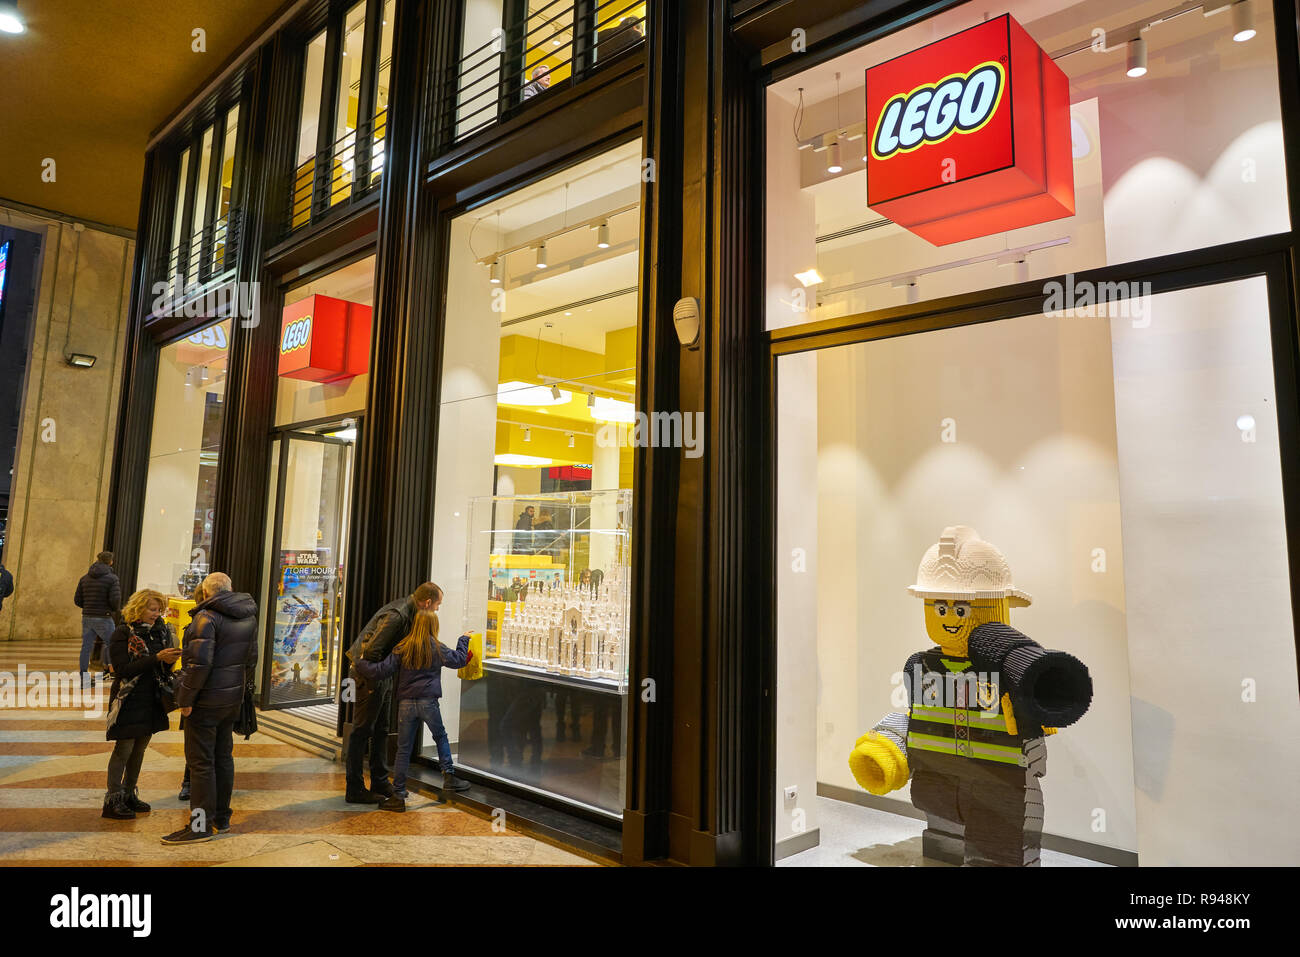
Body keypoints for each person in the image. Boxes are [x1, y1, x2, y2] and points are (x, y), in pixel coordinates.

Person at [163, 572, 258, 846]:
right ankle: (221, 819)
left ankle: (201, 825)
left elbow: (198, 666)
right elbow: (250, 659)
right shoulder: (247, 616)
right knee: (223, 758)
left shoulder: (206, 618)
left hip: (206, 701)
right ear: (230, 588)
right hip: (231, 699)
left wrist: (186, 700)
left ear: (205, 593)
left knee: (201, 763)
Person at [352, 610, 473, 811]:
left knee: (404, 749)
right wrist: (464, 639)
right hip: (429, 702)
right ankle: (449, 777)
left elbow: (381, 670)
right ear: (434, 626)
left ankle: (398, 796)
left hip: (406, 704)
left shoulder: (402, 647)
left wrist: (360, 662)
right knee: (440, 737)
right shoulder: (437, 647)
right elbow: (459, 659)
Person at [343, 582, 442, 803]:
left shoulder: (408, 612)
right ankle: (355, 789)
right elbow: (371, 652)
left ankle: (380, 780)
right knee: (361, 731)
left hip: (380, 676)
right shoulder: (398, 616)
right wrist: (390, 667)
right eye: (437, 605)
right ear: (427, 602)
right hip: (368, 676)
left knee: (381, 729)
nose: (436, 610)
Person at [102, 589, 181, 820]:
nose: (156, 614)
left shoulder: (160, 631)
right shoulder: (122, 633)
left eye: (159, 610)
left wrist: (169, 661)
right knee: (124, 749)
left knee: (140, 748)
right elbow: (122, 669)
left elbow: (161, 669)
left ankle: (129, 794)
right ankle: (113, 800)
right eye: (152, 609)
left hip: (151, 698)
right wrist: (156, 658)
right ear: (138, 608)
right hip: (128, 699)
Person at [75, 551, 122, 686]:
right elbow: (115, 600)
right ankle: (112, 672)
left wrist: (89, 607)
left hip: (87, 616)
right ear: (111, 562)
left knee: (86, 647)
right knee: (113, 644)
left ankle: (84, 678)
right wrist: (112, 610)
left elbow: (77, 600)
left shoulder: (84, 578)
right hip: (104, 617)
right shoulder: (112, 579)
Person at [177, 581, 206, 802]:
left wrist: (185, 697)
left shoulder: (199, 624)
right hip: (208, 693)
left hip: (201, 693)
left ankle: (190, 783)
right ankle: (191, 783)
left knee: (195, 744)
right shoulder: (198, 624)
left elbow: (191, 664)